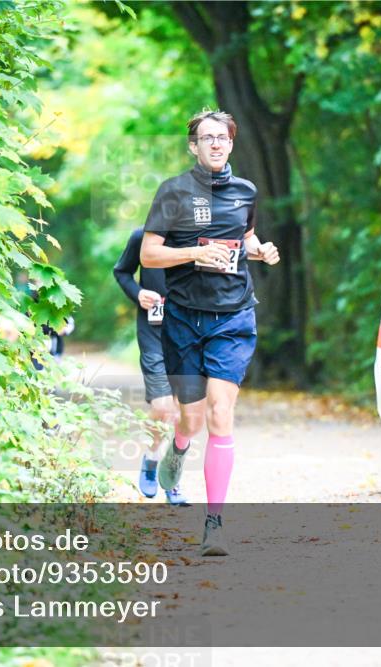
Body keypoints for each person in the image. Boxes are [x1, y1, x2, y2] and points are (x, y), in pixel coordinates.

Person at [139, 109, 279, 556]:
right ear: (193, 146)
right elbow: (149, 255)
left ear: (231, 144)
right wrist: (193, 254)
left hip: (233, 316)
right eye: (207, 138)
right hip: (183, 318)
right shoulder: (173, 192)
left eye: (222, 138)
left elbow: (246, 237)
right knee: (192, 419)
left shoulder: (246, 191)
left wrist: (260, 250)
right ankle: (178, 449)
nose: (216, 144)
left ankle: (214, 524)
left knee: (221, 413)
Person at [113, 227, 187, 505]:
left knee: (184, 415)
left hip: (190, 335)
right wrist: (139, 292)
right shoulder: (141, 237)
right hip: (153, 333)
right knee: (162, 407)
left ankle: (172, 478)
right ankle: (152, 457)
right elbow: (122, 272)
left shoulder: (198, 239)